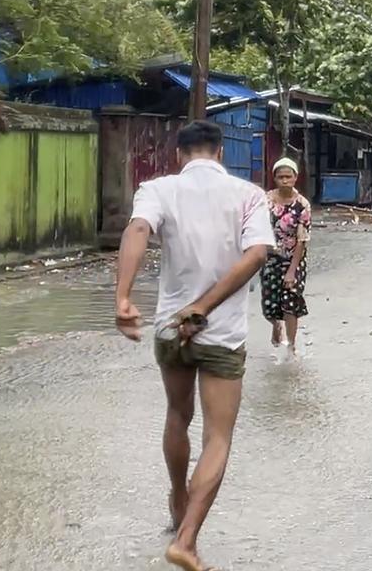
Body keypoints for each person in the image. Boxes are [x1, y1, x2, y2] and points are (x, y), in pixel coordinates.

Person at [114, 121, 275, 571]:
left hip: (170, 329)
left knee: (177, 415)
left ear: (180, 155)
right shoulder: (248, 194)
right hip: (222, 335)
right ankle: (186, 541)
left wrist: (123, 298)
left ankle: (177, 497)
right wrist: (204, 307)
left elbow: (137, 231)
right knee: (217, 437)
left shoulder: (158, 188)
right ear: (220, 153)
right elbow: (258, 253)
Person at [263, 158, 312, 353]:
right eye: (280, 177)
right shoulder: (265, 201)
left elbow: (302, 239)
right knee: (270, 301)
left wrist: (292, 270)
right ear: (274, 178)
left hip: (294, 258)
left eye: (288, 176)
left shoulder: (302, 205)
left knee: (291, 300)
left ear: (295, 178)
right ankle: (276, 325)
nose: (284, 180)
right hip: (270, 257)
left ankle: (291, 346)